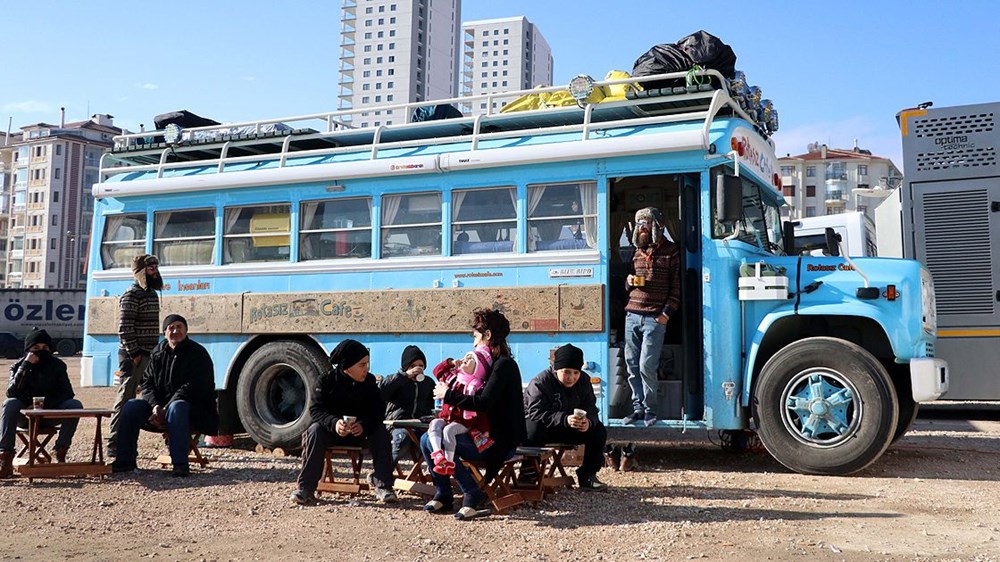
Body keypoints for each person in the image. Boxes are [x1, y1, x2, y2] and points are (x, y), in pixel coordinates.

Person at [419, 308, 526, 521]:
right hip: (480, 433)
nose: (473, 342)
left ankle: (472, 493)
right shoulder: (484, 364)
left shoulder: (504, 365)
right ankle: (444, 492)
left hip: (497, 441)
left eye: (476, 336)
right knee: (425, 440)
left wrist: (447, 395)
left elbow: (484, 403)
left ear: (487, 335)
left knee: (441, 442)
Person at [290, 339, 396, 505]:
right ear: (347, 367)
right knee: (314, 431)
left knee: (380, 431)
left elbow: (377, 411)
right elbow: (316, 410)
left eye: (367, 364)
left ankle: (384, 486)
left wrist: (363, 425)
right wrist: (334, 423)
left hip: (360, 432)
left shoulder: (369, 382)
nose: (366, 369)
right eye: (361, 365)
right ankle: (305, 489)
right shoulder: (325, 381)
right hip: (332, 432)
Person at [111, 315, 218, 477]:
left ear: (186, 330)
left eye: (179, 327)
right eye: (171, 328)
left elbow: (194, 387)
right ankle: (125, 462)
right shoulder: (157, 352)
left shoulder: (198, 354)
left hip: (193, 410)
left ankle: (180, 464)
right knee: (131, 406)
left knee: (177, 406)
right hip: (159, 409)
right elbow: (147, 383)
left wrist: (166, 409)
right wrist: (155, 406)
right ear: (165, 332)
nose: (175, 331)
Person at [624, 207, 681, 427]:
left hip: (654, 318)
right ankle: (637, 408)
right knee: (631, 364)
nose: (642, 228)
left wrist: (665, 314)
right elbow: (627, 288)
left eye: (646, 223)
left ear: (658, 225)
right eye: (639, 224)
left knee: (647, 364)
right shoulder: (636, 251)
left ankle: (650, 409)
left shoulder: (671, 251)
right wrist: (628, 282)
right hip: (632, 315)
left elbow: (676, 288)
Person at [523, 344, 608, 491]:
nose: (571, 377)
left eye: (576, 372)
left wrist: (588, 422)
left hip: (570, 427)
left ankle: (588, 475)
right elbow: (535, 412)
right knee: (532, 427)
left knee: (598, 430)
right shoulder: (541, 382)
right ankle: (528, 474)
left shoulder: (584, 381)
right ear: (556, 368)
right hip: (544, 429)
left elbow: (591, 408)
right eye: (567, 372)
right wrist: (564, 419)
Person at [0, 329, 83, 478]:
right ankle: (5, 458)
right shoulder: (18, 366)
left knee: (75, 404)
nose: (41, 351)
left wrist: (45, 405)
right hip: (25, 417)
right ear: (28, 350)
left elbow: (67, 393)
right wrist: (26, 366)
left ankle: (61, 449)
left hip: (50, 414)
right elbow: (12, 392)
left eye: (45, 348)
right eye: (36, 348)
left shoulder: (57, 365)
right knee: (10, 403)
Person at [107, 253, 162, 457]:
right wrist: (135, 353)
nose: (155, 271)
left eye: (156, 267)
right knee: (125, 398)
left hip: (150, 354)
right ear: (140, 271)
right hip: (134, 356)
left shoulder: (151, 294)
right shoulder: (131, 294)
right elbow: (124, 328)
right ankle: (113, 442)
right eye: (150, 268)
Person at [426, 345, 493, 476]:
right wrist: (450, 363)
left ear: (478, 368)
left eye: (471, 359)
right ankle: (438, 454)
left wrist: (485, 429)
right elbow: (437, 371)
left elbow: (481, 410)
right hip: (446, 417)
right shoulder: (454, 379)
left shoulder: (477, 387)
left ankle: (449, 463)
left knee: (448, 431)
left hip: (464, 422)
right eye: (466, 356)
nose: (465, 359)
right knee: (434, 424)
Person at [379, 345, 435, 464]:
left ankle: (435, 475)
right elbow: (380, 393)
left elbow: (432, 405)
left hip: (420, 425)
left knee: (434, 440)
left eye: (421, 365)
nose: (417, 368)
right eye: (413, 366)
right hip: (397, 425)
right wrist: (404, 376)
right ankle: (383, 473)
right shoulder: (394, 379)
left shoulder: (428, 383)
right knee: (402, 439)